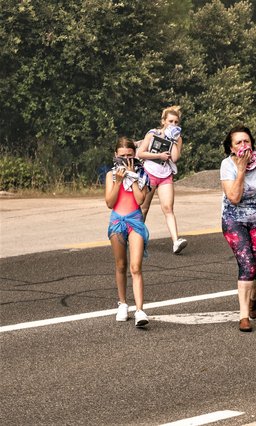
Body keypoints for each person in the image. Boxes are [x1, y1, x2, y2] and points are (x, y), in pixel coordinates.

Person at [220, 125, 256, 332]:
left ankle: (254, 297)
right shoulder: (227, 165)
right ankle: (243, 316)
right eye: (238, 143)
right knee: (247, 265)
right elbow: (234, 197)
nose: (243, 145)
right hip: (234, 220)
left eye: (246, 141)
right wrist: (241, 170)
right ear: (231, 148)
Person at [105, 137, 151, 327]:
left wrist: (132, 177)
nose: (125, 159)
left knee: (135, 266)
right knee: (120, 265)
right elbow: (109, 202)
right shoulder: (111, 175)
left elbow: (140, 200)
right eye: (122, 156)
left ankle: (140, 309)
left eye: (129, 156)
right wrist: (119, 181)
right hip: (117, 220)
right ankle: (123, 303)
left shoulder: (143, 174)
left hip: (135, 220)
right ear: (116, 155)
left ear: (135, 156)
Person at [137, 105, 188, 255]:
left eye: (176, 122)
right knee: (144, 208)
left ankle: (175, 241)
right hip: (150, 173)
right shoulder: (153, 134)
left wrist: (172, 139)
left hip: (165, 175)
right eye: (170, 121)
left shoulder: (177, 139)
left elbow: (176, 158)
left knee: (168, 208)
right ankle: (136, 238)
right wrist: (158, 156)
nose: (173, 124)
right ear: (163, 121)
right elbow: (141, 153)